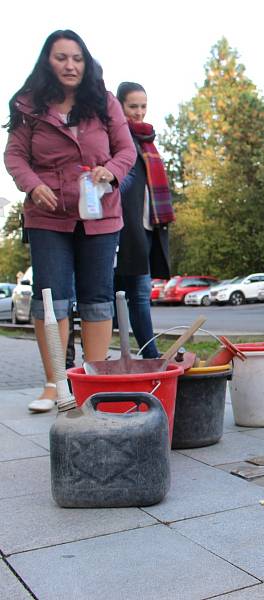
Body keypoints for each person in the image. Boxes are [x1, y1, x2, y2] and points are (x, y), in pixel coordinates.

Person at [4, 30, 136, 412]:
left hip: (101, 214)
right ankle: (54, 385)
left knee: (96, 300)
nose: (70, 65)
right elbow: (14, 157)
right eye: (61, 57)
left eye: (76, 58)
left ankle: (92, 382)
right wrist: (32, 185)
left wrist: (110, 172)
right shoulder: (28, 107)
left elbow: (126, 150)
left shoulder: (104, 102)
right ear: (48, 61)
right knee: (52, 299)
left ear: (86, 61)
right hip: (48, 217)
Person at [114, 82, 173, 359]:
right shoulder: (117, 136)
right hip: (126, 228)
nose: (139, 113)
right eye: (132, 106)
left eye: (143, 106)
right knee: (134, 292)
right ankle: (150, 356)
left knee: (138, 292)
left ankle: (147, 354)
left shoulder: (146, 139)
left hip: (149, 225)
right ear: (120, 105)